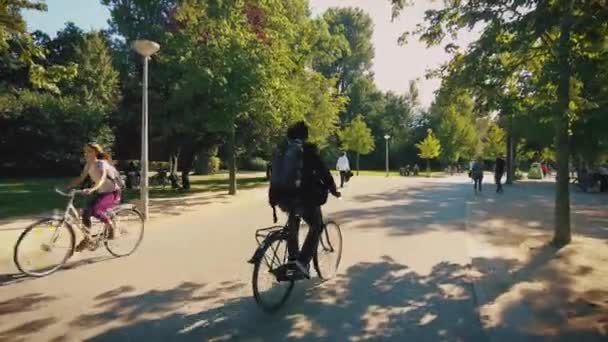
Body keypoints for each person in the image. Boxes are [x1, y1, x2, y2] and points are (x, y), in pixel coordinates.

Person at [269, 122, 340, 280]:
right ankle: (301, 263)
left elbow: (274, 176)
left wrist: (273, 199)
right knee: (316, 225)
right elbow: (323, 172)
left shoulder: (281, 151)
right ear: (305, 136)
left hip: (281, 197)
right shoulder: (307, 150)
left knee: (293, 220)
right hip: (302, 198)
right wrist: (333, 189)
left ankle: (292, 260)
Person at [69, 143, 122, 251]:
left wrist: (92, 189)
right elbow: (81, 178)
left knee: (97, 211)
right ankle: (87, 239)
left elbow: (102, 179)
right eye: (85, 151)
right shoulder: (88, 165)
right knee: (86, 213)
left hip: (112, 192)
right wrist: (69, 186)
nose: (86, 154)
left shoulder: (102, 164)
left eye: (89, 151)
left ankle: (111, 227)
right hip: (101, 193)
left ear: (96, 152)